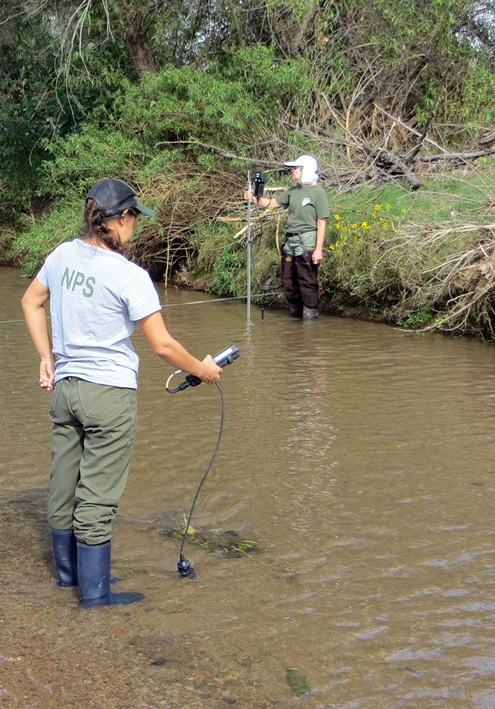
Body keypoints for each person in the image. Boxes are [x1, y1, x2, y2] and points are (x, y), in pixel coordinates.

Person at [21, 178, 223, 608]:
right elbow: (163, 345)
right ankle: (95, 597)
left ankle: (67, 581)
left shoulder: (61, 255)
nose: (136, 227)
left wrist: (46, 357)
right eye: (134, 218)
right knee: (97, 497)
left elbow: (30, 302)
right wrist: (203, 370)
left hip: (66, 390)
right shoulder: (130, 277)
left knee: (63, 487)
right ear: (121, 218)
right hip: (108, 395)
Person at [244, 154, 329, 320]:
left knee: (306, 279)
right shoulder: (292, 191)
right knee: (287, 280)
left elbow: (321, 223)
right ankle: (296, 313)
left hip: (307, 239)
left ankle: (310, 314)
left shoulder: (318, 192)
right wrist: (254, 198)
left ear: (306, 170)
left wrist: (318, 250)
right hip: (290, 241)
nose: (292, 172)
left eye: (295, 169)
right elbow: (273, 203)